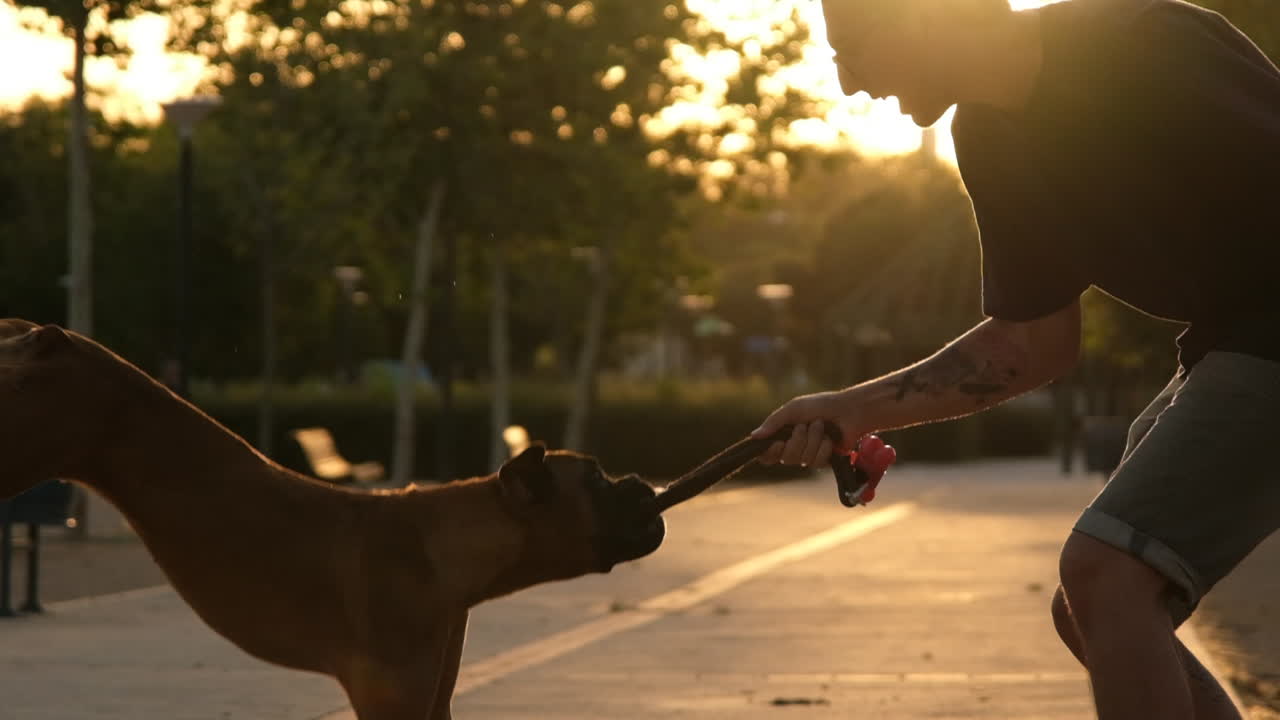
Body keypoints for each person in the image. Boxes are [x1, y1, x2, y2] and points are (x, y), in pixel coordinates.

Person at [751, 0, 1280, 718]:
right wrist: (848, 410)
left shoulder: (1139, 41)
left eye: (853, 50)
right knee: (1097, 602)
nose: (848, 84)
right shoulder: (994, 138)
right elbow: (1030, 343)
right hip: (1238, 336)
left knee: (1111, 573)